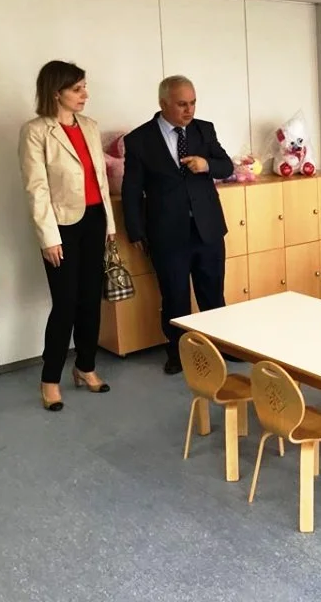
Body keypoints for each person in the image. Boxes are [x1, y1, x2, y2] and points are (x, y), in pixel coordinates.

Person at [19, 61, 116, 412]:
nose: (84, 94)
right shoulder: (36, 131)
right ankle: (50, 379)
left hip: (93, 219)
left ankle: (85, 367)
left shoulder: (89, 126)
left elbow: (100, 181)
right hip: (61, 226)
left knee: (90, 299)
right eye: (77, 89)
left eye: (84, 87)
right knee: (65, 304)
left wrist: (109, 226)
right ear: (56, 91)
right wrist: (48, 237)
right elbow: (36, 188)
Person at [121, 76, 234, 375]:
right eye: (182, 104)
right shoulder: (139, 139)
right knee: (175, 296)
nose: (189, 110)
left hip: (207, 228)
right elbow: (132, 190)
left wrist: (206, 165)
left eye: (193, 103)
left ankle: (220, 347)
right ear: (163, 103)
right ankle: (178, 352)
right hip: (167, 232)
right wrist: (135, 230)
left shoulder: (204, 129)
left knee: (213, 292)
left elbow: (226, 166)